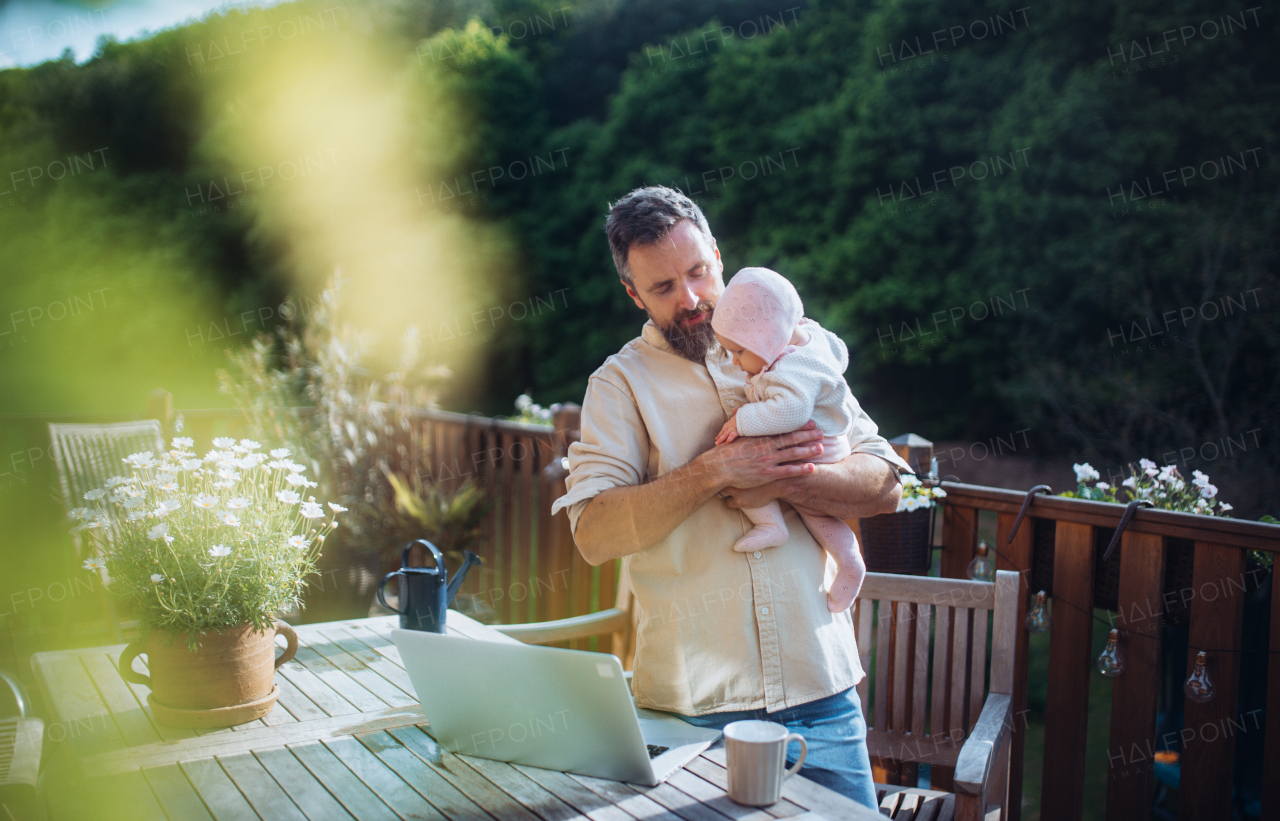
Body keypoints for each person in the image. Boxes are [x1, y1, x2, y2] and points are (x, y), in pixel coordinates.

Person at [550, 185, 909, 808]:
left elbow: (886, 482)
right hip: (695, 716)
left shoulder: (795, 344)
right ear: (633, 294)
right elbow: (594, 534)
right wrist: (713, 471)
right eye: (662, 287)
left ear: (718, 256)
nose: (690, 299)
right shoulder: (619, 384)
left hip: (823, 700)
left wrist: (784, 477)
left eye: (697, 272)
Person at [711, 266, 867, 613]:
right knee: (823, 521)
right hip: (831, 445)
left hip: (816, 453)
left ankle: (770, 524)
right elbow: (838, 349)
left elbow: (791, 412)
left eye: (738, 351)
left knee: (739, 462)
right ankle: (849, 560)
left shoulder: (793, 369)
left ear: (767, 336)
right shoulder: (809, 337)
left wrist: (742, 419)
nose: (736, 363)